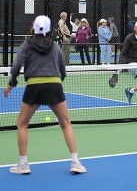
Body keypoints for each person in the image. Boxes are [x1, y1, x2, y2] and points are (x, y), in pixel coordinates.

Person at [3, 15, 87, 174]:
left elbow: (16, 66)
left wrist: (10, 85)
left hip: (33, 87)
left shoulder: (26, 45)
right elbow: (62, 69)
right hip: (54, 86)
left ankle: (23, 164)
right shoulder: (55, 46)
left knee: (21, 124)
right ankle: (76, 162)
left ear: (34, 28)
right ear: (49, 29)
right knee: (66, 124)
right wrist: (57, 82)